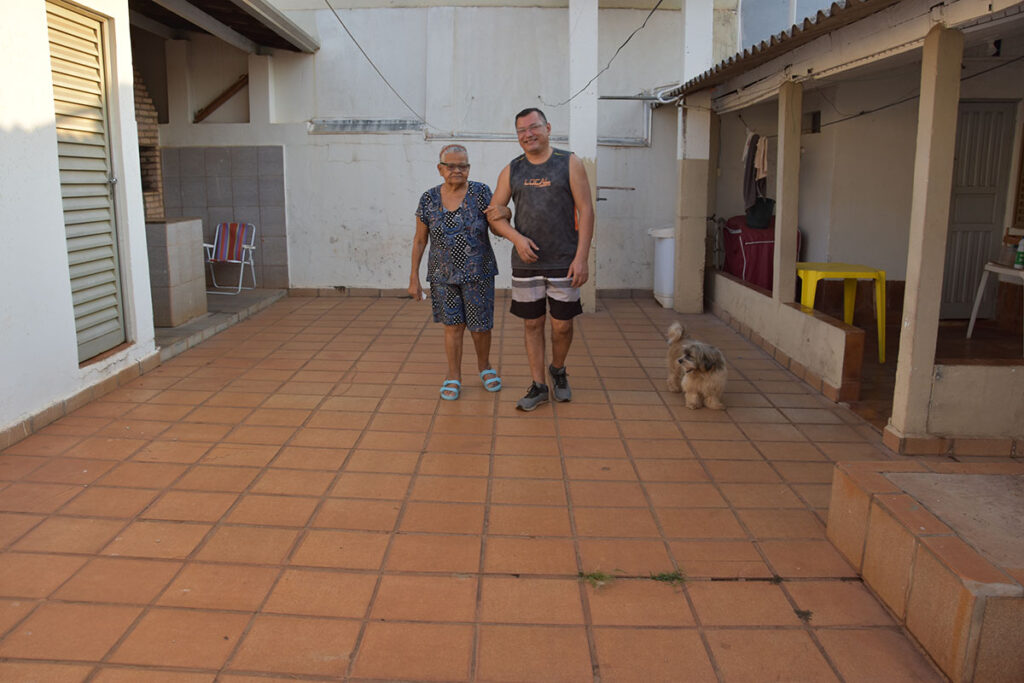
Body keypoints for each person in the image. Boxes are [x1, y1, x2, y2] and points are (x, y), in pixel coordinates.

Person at [485, 108, 595, 411]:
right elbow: (495, 214)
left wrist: (582, 258)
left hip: (564, 259)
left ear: (547, 128)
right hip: (526, 262)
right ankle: (538, 385)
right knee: (532, 324)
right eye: (521, 130)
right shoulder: (512, 170)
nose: (528, 134)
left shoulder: (569, 163)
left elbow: (586, 210)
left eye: (533, 127)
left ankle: (557, 370)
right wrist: (517, 238)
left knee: (562, 326)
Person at [410, 144, 503, 400]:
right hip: (443, 275)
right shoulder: (428, 198)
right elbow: (420, 240)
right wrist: (413, 278)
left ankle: (484, 368)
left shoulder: (481, 192)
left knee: (481, 327)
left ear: (469, 168)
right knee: (453, 326)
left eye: (463, 165)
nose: (457, 170)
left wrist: (505, 213)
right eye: (451, 165)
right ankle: (453, 375)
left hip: (479, 273)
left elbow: (496, 226)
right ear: (440, 169)